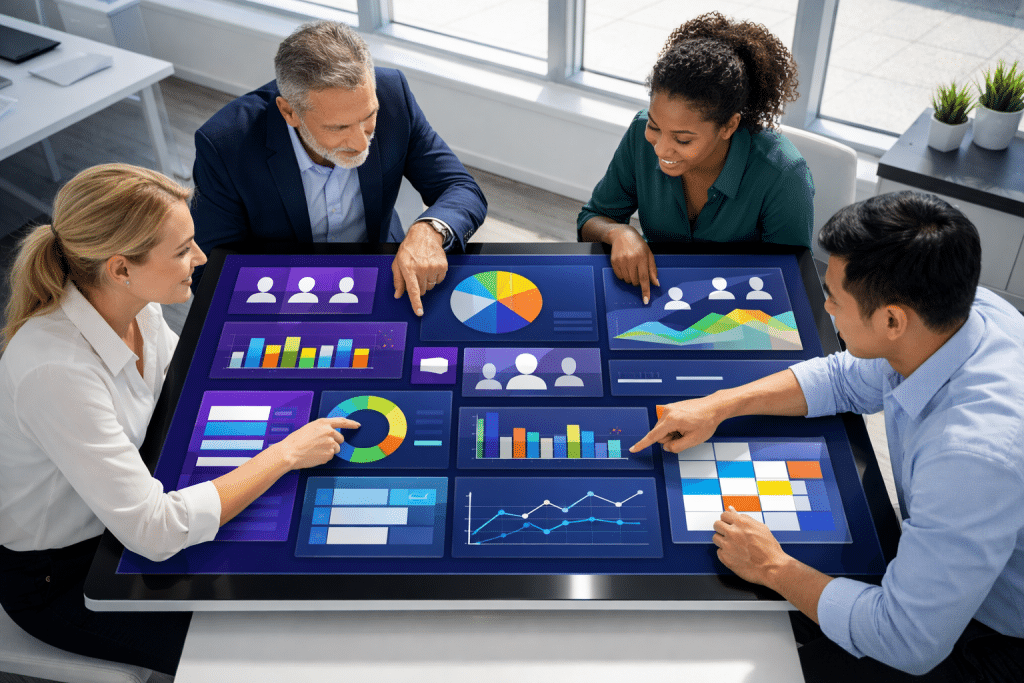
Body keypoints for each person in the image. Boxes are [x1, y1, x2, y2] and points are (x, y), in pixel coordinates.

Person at [630, 191, 1024, 681]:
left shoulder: (969, 457)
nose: (825, 307)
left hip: (994, 635)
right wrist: (719, 406)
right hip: (952, 565)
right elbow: (844, 379)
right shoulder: (963, 312)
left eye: (834, 297)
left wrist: (773, 566)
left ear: (892, 320)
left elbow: (906, 638)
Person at [0, 164, 359, 676]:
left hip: (128, 515)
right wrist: (284, 455)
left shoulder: (135, 305)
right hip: (65, 578)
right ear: (120, 268)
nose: (200, 258)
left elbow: (187, 390)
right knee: (273, 654)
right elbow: (154, 529)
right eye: (182, 249)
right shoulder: (55, 372)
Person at [191, 20, 487, 316]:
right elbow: (210, 271)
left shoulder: (393, 94)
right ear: (289, 112)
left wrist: (430, 230)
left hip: (385, 275)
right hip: (286, 296)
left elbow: (461, 188)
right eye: (339, 127)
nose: (360, 143)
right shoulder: (224, 145)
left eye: (368, 116)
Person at [579, 12, 813, 304]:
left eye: (683, 139)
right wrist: (618, 232)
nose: (661, 149)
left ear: (728, 126)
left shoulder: (784, 174)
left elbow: (790, 280)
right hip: (660, 294)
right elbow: (591, 219)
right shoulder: (640, 132)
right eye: (655, 126)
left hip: (741, 305)